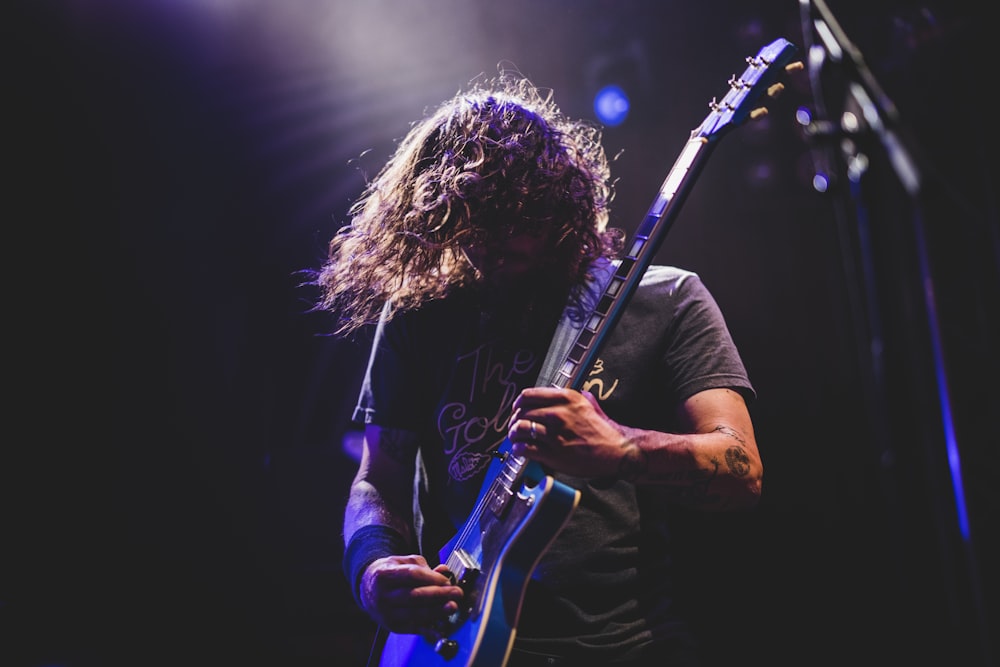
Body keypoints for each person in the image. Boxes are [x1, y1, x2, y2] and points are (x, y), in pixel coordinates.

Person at [313, 72, 762, 666]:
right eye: (468, 231)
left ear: (557, 205)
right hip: (452, 642)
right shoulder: (420, 310)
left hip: (622, 646)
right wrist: (372, 567)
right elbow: (378, 477)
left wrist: (623, 447)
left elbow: (741, 470)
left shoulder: (668, 299)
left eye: (507, 230)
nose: (486, 252)